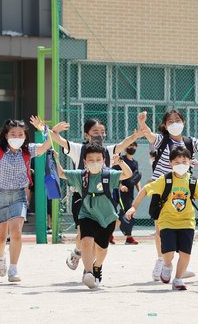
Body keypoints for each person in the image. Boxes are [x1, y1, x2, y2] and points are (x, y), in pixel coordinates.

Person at [0, 104, 52, 282]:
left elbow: (46, 146)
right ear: (6, 135)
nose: (17, 137)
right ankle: (0, 258)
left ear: (25, 136)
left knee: (16, 233)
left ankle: (13, 268)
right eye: (13, 134)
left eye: (21, 134)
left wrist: (44, 129)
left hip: (19, 196)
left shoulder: (28, 150)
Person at [48, 113, 145, 270]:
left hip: (103, 198)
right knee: (84, 230)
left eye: (102, 132)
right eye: (95, 132)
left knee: (96, 238)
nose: (99, 135)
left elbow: (123, 144)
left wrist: (136, 136)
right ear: (86, 134)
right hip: (82, 196)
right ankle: (79, 254)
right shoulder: (78, 149)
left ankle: (89, 265)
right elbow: (57, 140)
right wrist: (54, 131)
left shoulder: (107, 151)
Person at [138, 109, 198, 281]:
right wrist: (143, 122)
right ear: (165, 126)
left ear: (183, 122)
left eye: (177, 120)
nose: (174, 124)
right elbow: (148, 134)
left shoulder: (190, 142)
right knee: (161, 228)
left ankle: (179, 267)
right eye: (170, 121)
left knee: (184, 229)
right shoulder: (162, 141)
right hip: (163, 190)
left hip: (182, 191)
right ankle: (161, 261)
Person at [126, 146, 198, 291]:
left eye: (184, 161)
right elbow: (145, 189)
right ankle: (167, 265)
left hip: (187, 222)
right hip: (167, 221)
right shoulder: (165, 180)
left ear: (190, 162)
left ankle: (178, 279)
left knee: (185, 253)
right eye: (177, 162)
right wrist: (134, 207)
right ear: (170, 164)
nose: (181, 165)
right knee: (168, 253)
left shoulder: (193, 182)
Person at [57, 143, 132, 289]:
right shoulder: (80, 175)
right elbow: (60, 173)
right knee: (86, 241)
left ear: (104, 160)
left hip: (107, 216)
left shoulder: (109, 175)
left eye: (98, 159)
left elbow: (128, 174)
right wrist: (55, 158)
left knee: (102, 249)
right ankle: (88, 273)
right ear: (84, 162)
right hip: (87, 214)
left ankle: (97, 266)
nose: (95, 162)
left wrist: (121, 162)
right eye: (91, 160)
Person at [112, 141, 141, 245]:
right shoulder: (121, 161)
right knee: (128, 213)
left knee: (123, 215)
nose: (132, 147)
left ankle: (108, 235)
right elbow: (114, 175)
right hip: (120, 192)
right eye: (130, 145)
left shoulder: (135, 162)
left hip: (130, 192)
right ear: (125, 148)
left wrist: (140, 191)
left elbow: (136, 178)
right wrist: (120, 186)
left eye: (133, 146)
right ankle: (129, 237)